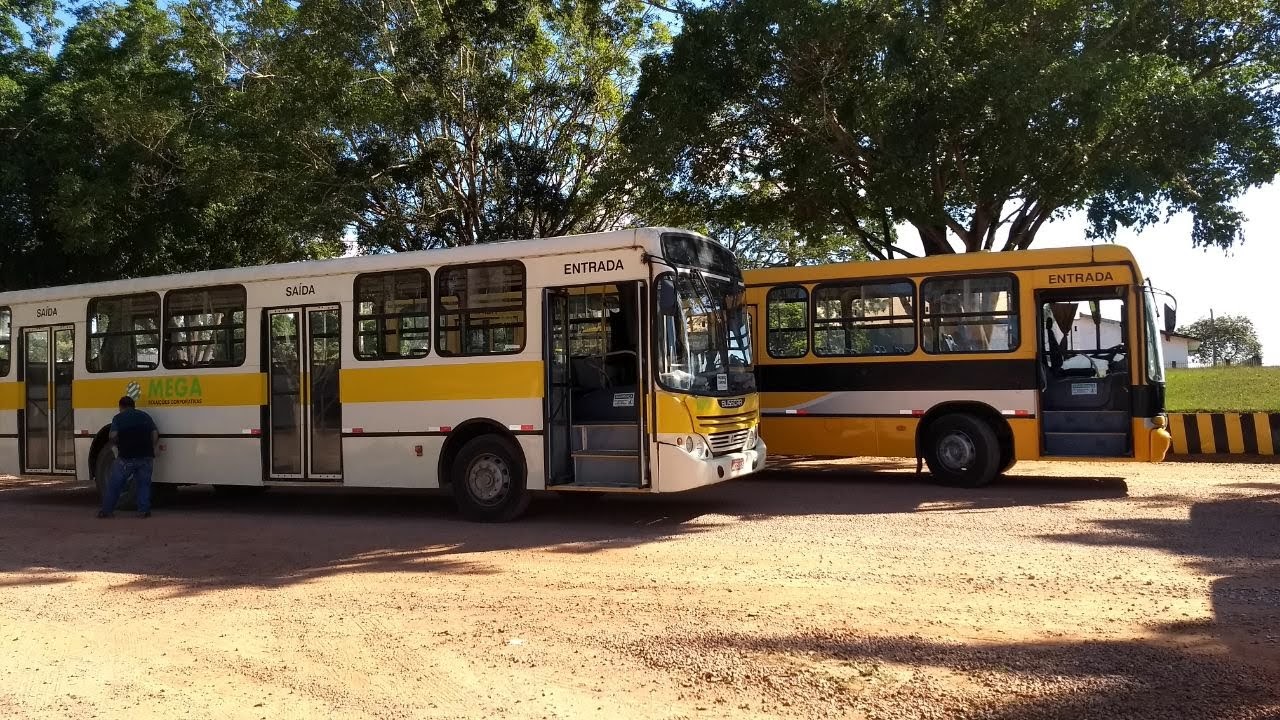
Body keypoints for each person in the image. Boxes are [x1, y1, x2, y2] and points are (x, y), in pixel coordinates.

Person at [97, 396, 160, 519]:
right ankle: (143, 511)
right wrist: (150, 447)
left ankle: (107, 511)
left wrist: (117, 444)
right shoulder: (145, 416)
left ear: (121, 407)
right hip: (146, 456)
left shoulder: (118, 418)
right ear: (133, 406)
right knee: (144, 484)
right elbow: (155, 434)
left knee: (115, 484)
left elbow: (113, 435)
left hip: (126, 457)